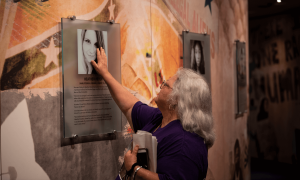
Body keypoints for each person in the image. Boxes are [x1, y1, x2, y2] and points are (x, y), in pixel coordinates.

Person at [92, 48, 215, 180]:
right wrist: (105, 73)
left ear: (176, 100)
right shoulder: (159, 118)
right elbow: (129, 105)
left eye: (165, 85)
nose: (160, 87)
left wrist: (134, 168)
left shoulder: (184, 145)